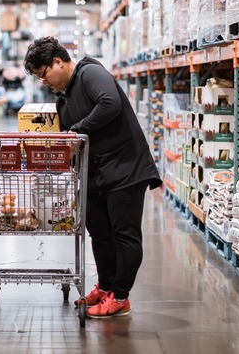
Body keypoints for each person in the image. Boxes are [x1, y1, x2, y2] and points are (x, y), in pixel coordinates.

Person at [23, 36, 162, 319]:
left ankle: (121, 296)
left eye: (44, 74)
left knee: (124, 235)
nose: (44, 81)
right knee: (99, 232)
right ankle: (106, 286)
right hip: (97, 174)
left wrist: (77, 131)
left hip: (125, 169)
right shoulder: (62, 95)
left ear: (58, 62)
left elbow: (109, 103)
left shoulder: (90, 73)